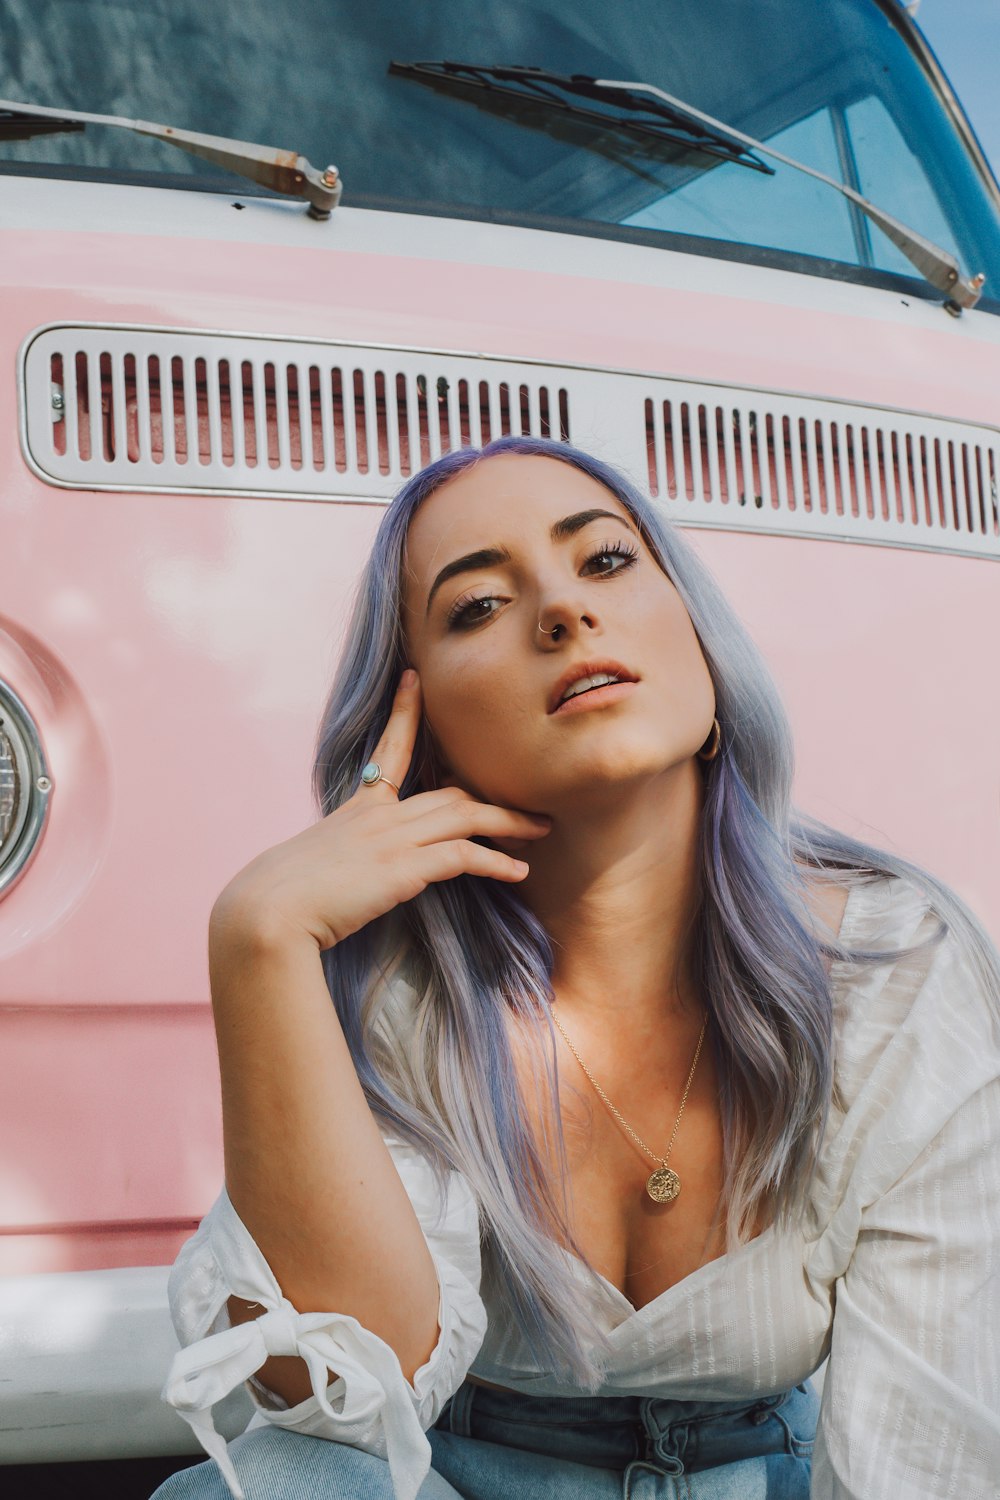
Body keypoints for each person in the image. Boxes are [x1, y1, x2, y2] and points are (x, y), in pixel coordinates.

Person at [151, 435, 1000, 1500]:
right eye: (476, 607)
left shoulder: (889, 964)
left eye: (602, 561)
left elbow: (920, 1470)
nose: (562, 613)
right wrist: (260, 940)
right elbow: (338, 1416)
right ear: (427, 737)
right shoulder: (392, 979)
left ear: (696, 635)